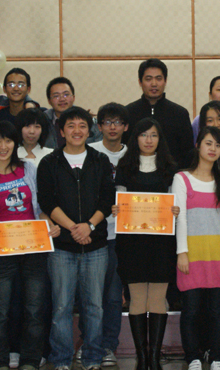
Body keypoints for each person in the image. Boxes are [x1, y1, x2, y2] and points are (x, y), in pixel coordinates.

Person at [0, 121, 58, 370]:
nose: (3, 146)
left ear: (15, 143)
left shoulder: (29, 169)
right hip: (1, 252)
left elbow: (40, 206)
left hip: (34, 249)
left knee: (34, 309)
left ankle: (30, 359)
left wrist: (49, 223)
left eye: (8, 140)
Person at [37, 106, 116, 370]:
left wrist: (89, 226)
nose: (77, 131)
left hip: (96, 246)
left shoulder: (100, 160)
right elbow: (47, 201)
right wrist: (74, 228)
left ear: (89, 130)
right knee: (61, 307)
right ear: (61, 131)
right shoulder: (49, 162)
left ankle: (92, 358)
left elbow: (107, 199)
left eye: (82, 125)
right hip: (62, 247)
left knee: (94, 307)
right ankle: (61, 359)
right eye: (70, 126)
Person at [111, 117, 179, 370]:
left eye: (154, 135)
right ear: (135, 138)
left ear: (160, 139)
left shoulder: (170, 168)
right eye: (143, 135)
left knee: (158, 299)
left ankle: (155, 358)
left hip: (162, 243)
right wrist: (117, 209)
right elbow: (119, 199)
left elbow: (175, 200)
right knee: (138, 299)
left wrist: (175, 211)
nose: (148, 140)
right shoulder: (125, 166)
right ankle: (141, 357)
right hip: (132, 243)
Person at [173, 126, 220, 370]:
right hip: (192, 254)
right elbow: (181, 219)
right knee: (191, 310)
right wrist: (182, 252)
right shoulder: (182, 178)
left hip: (219, 254)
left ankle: (217, 357)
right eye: (208, 143)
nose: (213, 149)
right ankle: (193, 357)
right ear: (198, 145)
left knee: (218, 311)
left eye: (218, 145)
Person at [88, 102, 131, 366]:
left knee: (114, 296)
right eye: (107, 122)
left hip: (122, 236)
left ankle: (108, 347)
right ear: (99, 126)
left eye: (118, 122)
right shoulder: (89, 152)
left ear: (126, 127)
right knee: (90, 295)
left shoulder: (133, 154)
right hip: (93, 233)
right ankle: (89, 345)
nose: (112, 127)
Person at [126, 58, 195, 167]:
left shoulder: (180, 114)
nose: (154, 84)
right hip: (135, 173)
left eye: (158, 78)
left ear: (165, 81)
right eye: (148, 79)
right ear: (140, 82)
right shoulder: (128, 112)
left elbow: (188, 153)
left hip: (173, 175)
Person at [43, 77, 102, 149]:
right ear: (49, 101)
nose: (62, 99)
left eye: (66, 94)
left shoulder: (89, 121)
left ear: (73, 98)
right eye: (56, 96)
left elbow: (99, 148)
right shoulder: (42, 122)